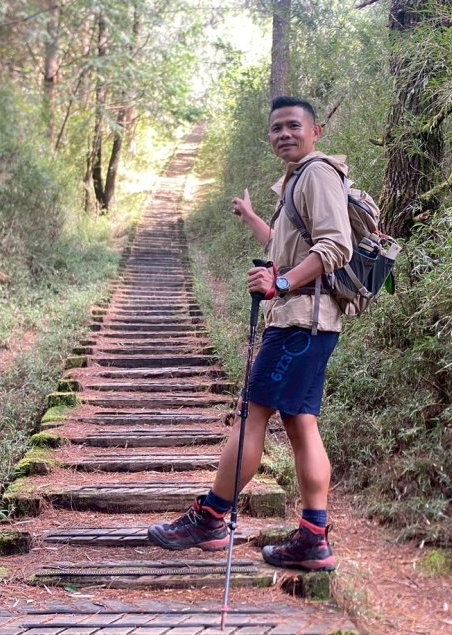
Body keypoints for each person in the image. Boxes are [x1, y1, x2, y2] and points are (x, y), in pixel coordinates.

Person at [147, 96, 352, 571]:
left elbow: (335, 245)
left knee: (253, 415)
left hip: (301, 322)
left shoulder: (318, 174)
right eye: (276, 127)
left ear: (315, 131)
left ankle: (212, 517)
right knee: (301, 425)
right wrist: (251, 216)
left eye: (294, 125)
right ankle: (313, 538)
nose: (284, 133)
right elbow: (280, 245)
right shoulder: (295, 183)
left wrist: (280, 282)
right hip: (308, 323)